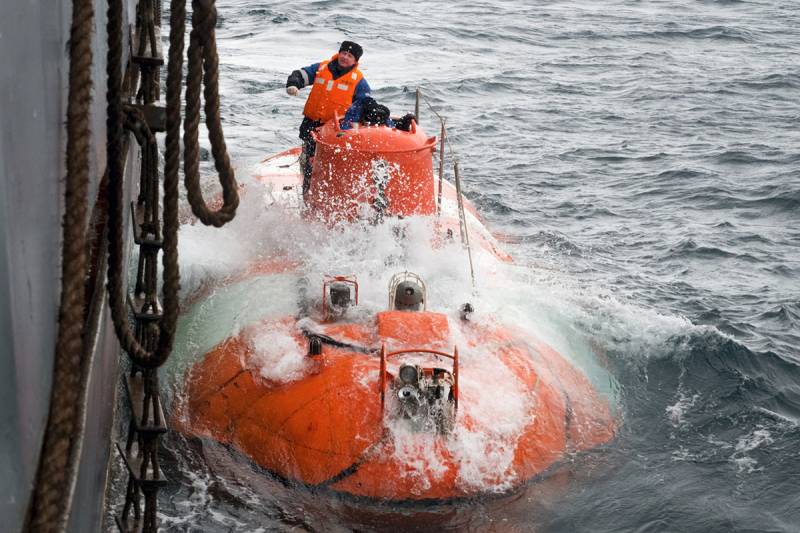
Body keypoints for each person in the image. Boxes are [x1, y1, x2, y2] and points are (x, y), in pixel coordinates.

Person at [286, 41, 371, 194]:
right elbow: (302, 74)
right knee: (308, 164)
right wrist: (294, 83)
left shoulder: (359, 81)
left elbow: (365, 104)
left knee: (328, 166)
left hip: (335, 131)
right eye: (343, 53)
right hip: (311, 125)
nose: (345, 57)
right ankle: (307, 196)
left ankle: (331, 194)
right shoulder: (321, 67)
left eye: (350, 55)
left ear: (355, 61)